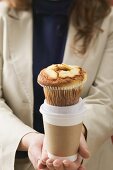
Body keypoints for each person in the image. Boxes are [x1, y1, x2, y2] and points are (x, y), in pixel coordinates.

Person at [0, 0, 113, 170]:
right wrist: (27, 139)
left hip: (88, 161)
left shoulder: (107, 18)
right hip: (17, 160)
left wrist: (73, 137)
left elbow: (107, 98)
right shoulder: (3, 16)